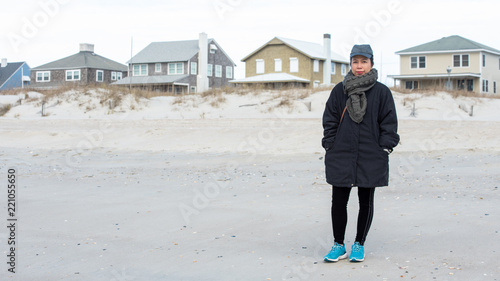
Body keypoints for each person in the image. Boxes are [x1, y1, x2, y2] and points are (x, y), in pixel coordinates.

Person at [322, 44, 399, 262]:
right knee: (339, 201)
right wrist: (330, 144)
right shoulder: (340, 90)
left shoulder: (382, 91)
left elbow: (389, 122)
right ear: (351, 64)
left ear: (371, 64)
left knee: (366, 200)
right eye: (355, 62)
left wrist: (385, 147)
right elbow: (330, 119)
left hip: (371, 152)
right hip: (342, 152)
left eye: (363, 62)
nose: (359, 66)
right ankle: (338, 245)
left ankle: (359, 244)